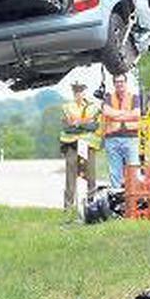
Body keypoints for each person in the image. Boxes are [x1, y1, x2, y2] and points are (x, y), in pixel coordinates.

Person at [60, 81, 101, 209]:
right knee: (71, 174)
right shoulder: (67, 107)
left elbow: (94, 126)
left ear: (85, 92)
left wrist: (78, 124)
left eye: (81, 92)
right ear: (73, 93)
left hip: (88, 143)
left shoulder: (93, 107)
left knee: (91, 174)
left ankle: (92, 204)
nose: (79, 94)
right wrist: (83, 125)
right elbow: (68, 127)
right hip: (71, 143)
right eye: (76, 92)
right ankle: (68, 206)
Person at [102, 73, 141, 189]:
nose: (119, 84)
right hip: (112, 139)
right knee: (115, 172)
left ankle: (134, 196)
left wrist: (116, 115)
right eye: (117, 82)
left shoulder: (134, 97)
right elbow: (107, 112)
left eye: (121, 81)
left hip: (131, 139)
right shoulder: (108, 97)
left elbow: (136, 114)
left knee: (133, 169)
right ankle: (117, 197)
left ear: (126, 83)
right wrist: (126, 114)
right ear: (114, 84)